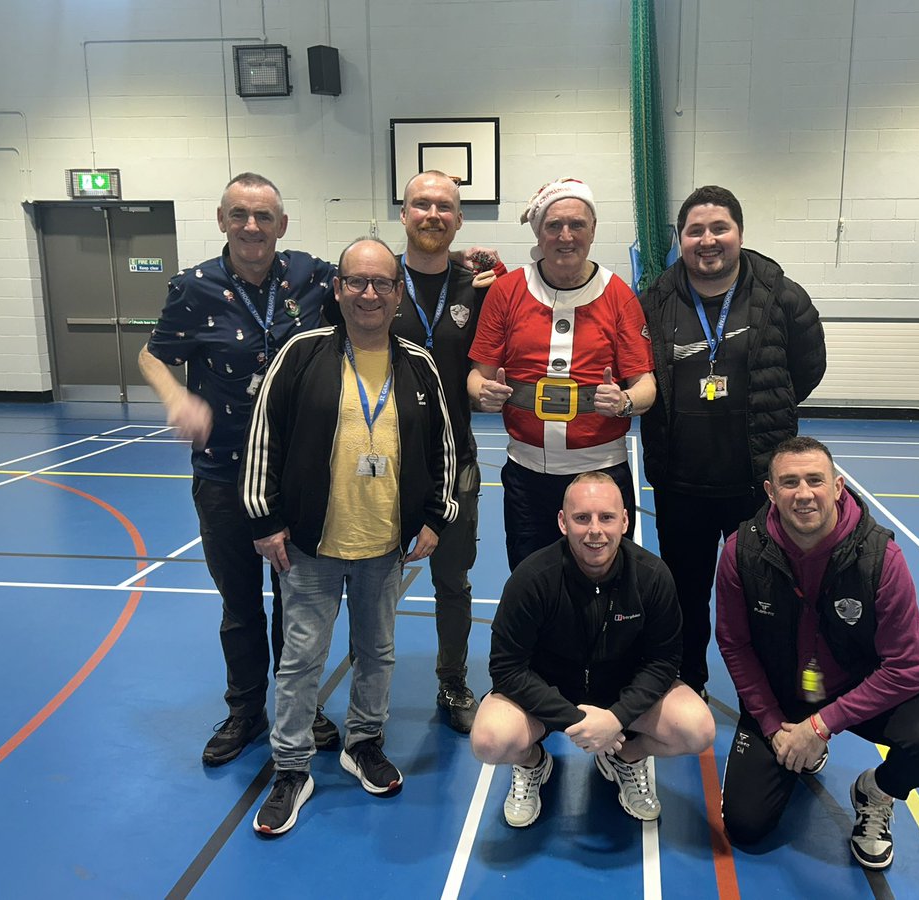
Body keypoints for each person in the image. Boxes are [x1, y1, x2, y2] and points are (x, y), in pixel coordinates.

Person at [240, 237, 458, 835]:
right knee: (301, 657)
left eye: (381, 284)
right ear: (337, 290)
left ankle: (363, 741)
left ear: (395, 295)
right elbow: (265, 436)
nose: (368, 293)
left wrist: (437, 517)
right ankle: (290, 767)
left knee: (377, 652)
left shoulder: (418, 363)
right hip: (310, 545)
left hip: (384, 545)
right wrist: (263, 519)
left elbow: (443, 447)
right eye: (356, 282)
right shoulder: (302, 353)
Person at [138, 172, 341, 766]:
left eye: (263, 217)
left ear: (282, 224)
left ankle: (298, 705)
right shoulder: (194, 287)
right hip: (225, 474)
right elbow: (152, 353)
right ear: (223, 220)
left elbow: (376, 275)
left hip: (296, 475)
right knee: (240, 603)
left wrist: (456, 256)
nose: (252, 227)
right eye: (239, 215)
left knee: (298, 600)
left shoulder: (311, 277)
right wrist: (175, 399)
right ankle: (245, 710)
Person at [715, 436, 919, 869]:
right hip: (782, 696)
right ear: (770, 492)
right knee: (746, 825)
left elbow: (907, 668)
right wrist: (775, 725)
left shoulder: (880, 556)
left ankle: (877, 790)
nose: (804, 493)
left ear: (838, 486)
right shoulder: (741, 552)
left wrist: (820, 726)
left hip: (860, 688)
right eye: (789, 482)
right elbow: (734, 646)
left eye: (815, 480)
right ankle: (794, 750)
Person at [640, 184, 826, 697]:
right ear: (680, 239)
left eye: (719, 227)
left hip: (756, 484)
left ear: (739, 233)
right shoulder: (653, 302)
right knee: (685, 592)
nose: (707, 240)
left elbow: (807, 372)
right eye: (695, 230)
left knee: (765, 594)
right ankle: (687, 681)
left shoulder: (780, 295)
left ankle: (769, 690)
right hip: (682, 485)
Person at [471, 472, 714, 828]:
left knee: (697, 729)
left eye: (607, 517)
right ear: (563, 522)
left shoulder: (652, 576)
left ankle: (626, 757)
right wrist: (578, 721)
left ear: (625, 520)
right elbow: (507, 668)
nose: (595, 530)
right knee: (489, 740)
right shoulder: (533, 577)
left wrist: (616, 719)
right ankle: (532, 763)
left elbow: (664, 662)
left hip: (620, 691)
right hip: (548, 691)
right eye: (582, 518)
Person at [469, 178, 657, 571]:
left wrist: (623, 402)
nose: (565, 236)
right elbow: (477, 375)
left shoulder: (619, 294)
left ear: (593, 230)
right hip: (526, 476)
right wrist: (483, 392)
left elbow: (646, 387)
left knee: (605, 586)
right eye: (554, 226)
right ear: (539, 231)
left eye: (577, 225)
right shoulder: (506, 292)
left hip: (601, 476)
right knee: (530, 582)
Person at [390, 170, 505, 733]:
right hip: (380, 462)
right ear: (404, 214)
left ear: (459, 220)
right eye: (421, 205)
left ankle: (453, 680)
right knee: (370, 581)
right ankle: (371, 680)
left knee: (453, 582)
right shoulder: (377, 283)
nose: (432, 214)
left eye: (444, 207)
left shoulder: (478, 290)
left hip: (454, 461)